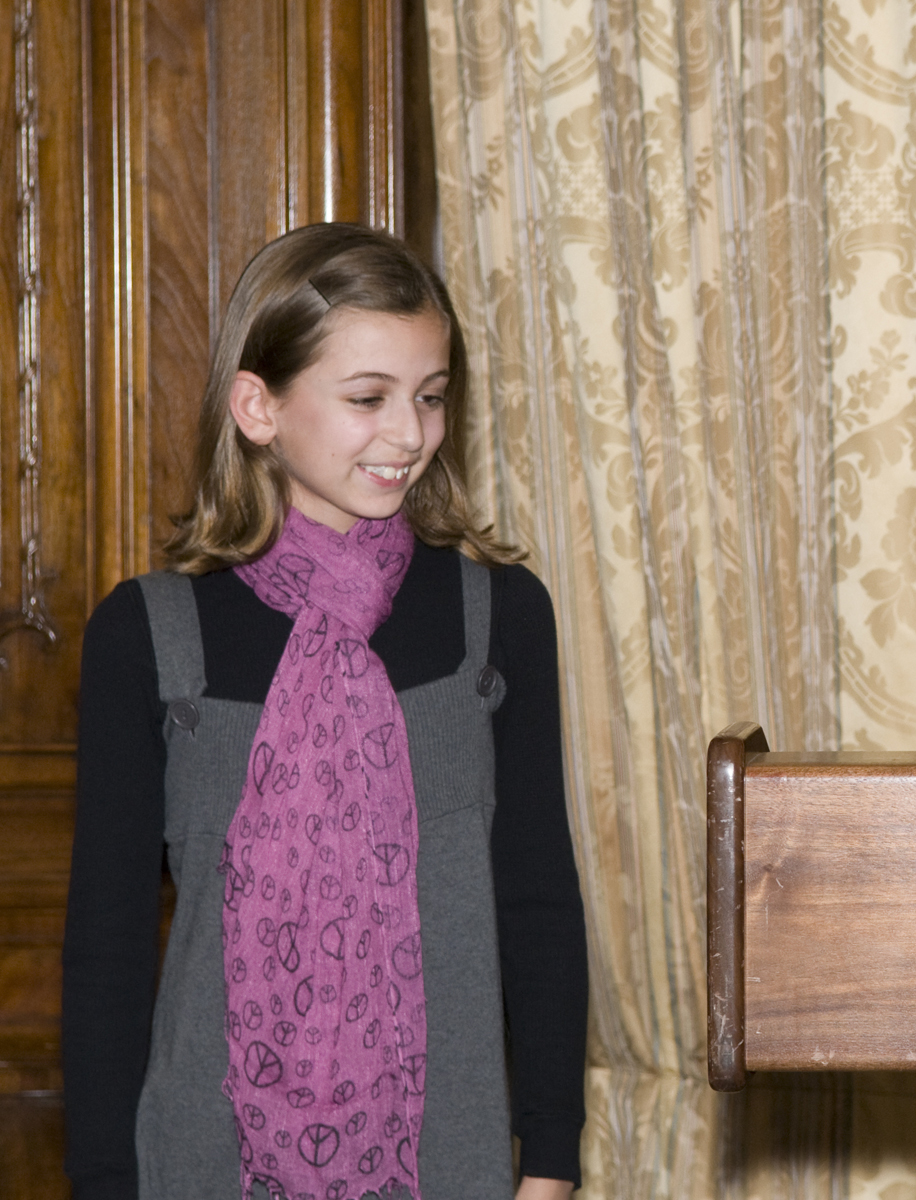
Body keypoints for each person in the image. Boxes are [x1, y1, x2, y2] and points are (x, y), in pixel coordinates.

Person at [61, 224, 589, 1200]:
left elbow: (539, 902)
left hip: (450, 1162)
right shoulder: (148, 635)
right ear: (257, 406)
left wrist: (551, 1162)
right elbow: (108, 947)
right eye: (368, 398)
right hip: (202, 1163)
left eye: (431, 396)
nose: (410, 435)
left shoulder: (500, 618)